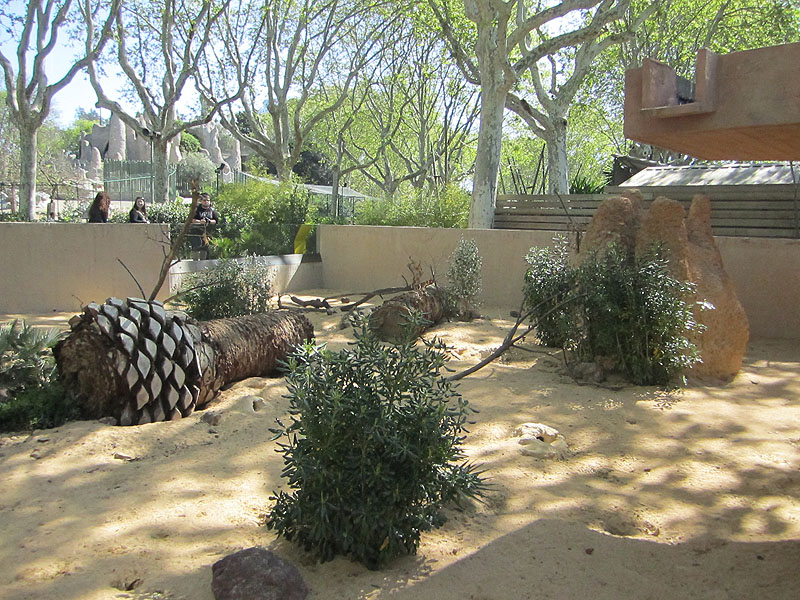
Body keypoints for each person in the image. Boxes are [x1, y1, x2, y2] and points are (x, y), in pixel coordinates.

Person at [190, 193, 220, 259]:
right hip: (196, 233)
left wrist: (209, 221)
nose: (206, 202)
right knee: (195, 249)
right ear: (201, 201)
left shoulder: (212, 210)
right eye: (204, 200)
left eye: (208, 200)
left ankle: (203, 263)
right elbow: (191, 219)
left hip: (207, 234)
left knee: (205, 251)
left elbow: (216, 220)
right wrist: (200, 222)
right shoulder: (196, 210)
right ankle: (195, 263)